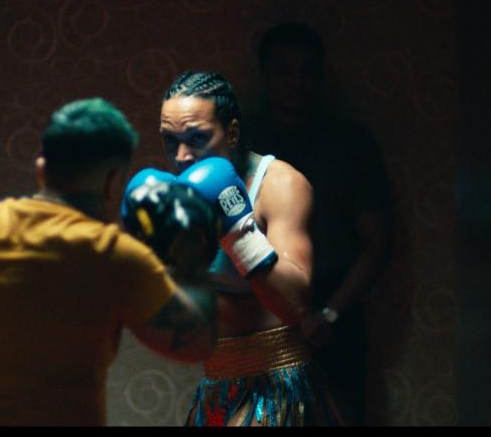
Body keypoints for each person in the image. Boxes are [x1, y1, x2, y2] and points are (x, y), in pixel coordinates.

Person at [0, 97, 218, 426]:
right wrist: (191, 244)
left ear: (42, 169)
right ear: (113, 182)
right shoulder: (113, 254)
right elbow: (195, 344)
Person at [138, 70, 342, 425]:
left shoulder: (281, 185)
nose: (183, 156)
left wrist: (237, 230)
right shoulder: (177, 197)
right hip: (216, 380)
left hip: (278, 383)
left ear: (231, 132)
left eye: (198, 138)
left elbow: (296, 303)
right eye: (170, 141)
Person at [244, 23, 393, 425]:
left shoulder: (351, 144)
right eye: (284, 70)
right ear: (266, 75)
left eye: (308, 70)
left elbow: (377, 244)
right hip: (258, 310)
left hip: (334, 309)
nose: (298, 82)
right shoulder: (243, 143)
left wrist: (329, 313)